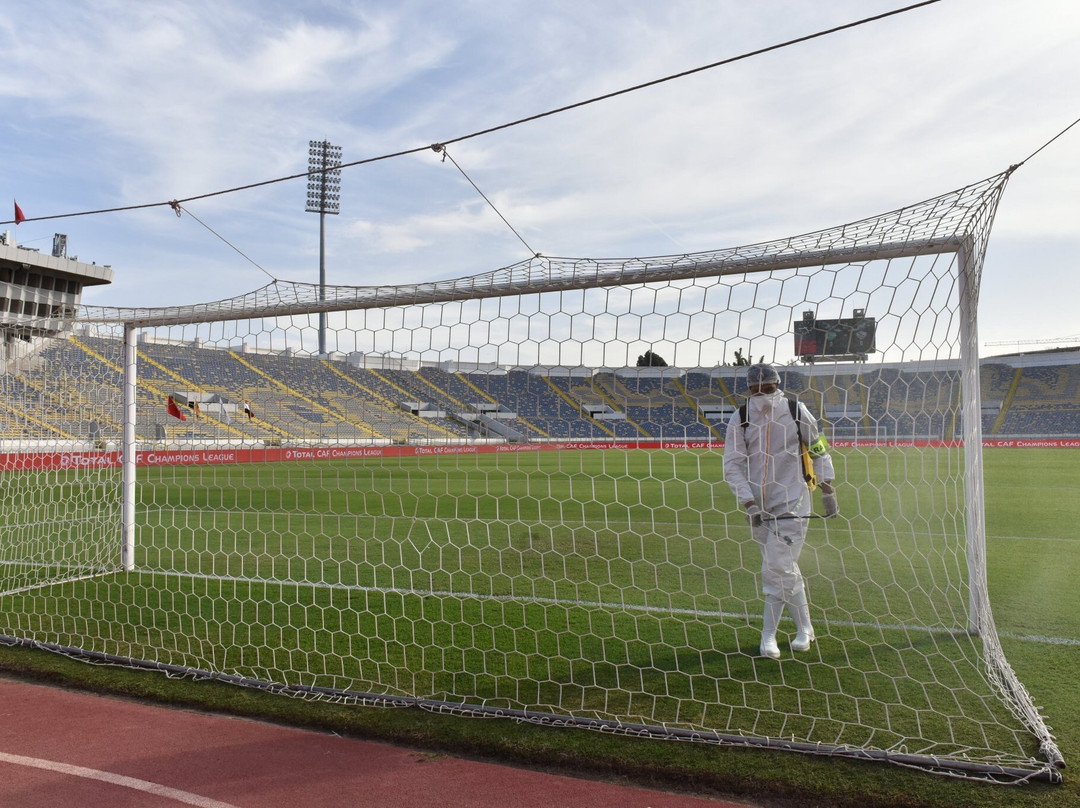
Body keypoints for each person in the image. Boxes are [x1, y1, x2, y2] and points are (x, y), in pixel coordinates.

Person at [722, 363, 839, 659]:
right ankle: (805, 627)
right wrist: (748, 502)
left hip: (794, 501)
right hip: (759, 507)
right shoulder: (741, 417)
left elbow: (818, 445)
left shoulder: (796, 410)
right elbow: (732, 464)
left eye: (768, 388)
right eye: (755, 389)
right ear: (748, 389)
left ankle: (769, 637)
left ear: (778, 385)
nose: (762, 394)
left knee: (775, 569)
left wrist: (827, 486)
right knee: (784, 568)